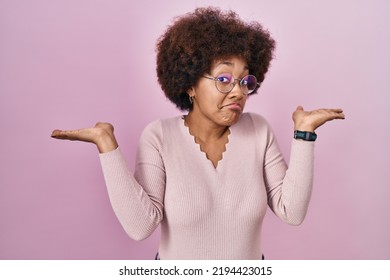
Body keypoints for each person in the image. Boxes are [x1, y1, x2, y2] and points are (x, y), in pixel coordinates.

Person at [51, 7, 345, 259]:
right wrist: (107, 145)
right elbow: (140, 227)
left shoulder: (258, 130)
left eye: (245, 81)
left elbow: (291, 212)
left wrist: (304, 134)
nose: (237, 92)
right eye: (224, 79)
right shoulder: (159, 136)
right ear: (190, 84)